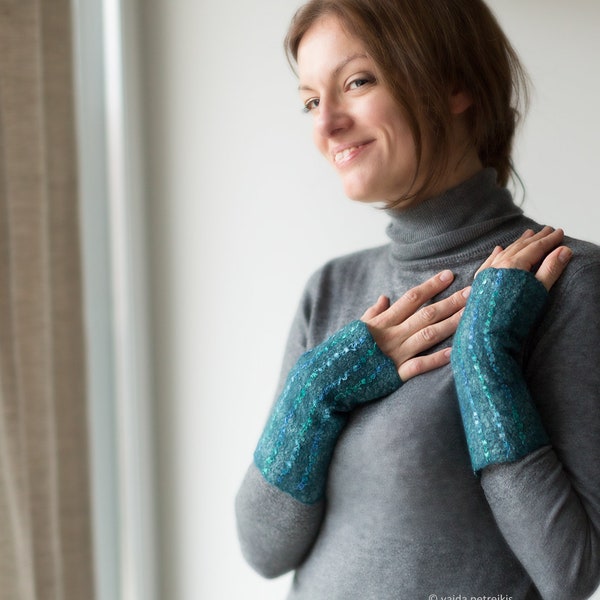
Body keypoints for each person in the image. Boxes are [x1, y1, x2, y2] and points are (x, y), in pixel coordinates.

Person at [235, 1, 600, 598]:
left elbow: (570, 572)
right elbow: (263, 549)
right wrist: (316, 391)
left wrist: (484, 358)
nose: (325, 125)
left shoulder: (565, 282)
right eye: (309, 100)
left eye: (357, 81)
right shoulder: (330, 291)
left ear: (452, 82)